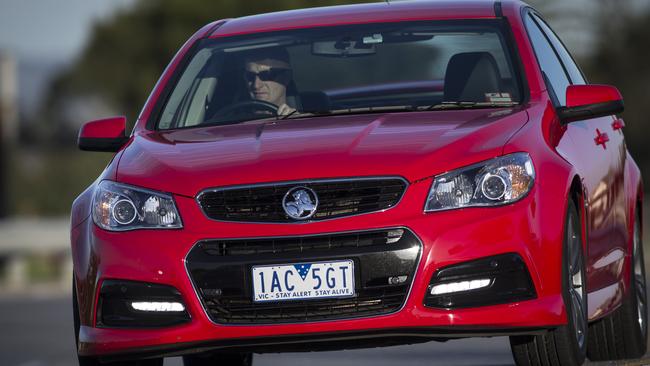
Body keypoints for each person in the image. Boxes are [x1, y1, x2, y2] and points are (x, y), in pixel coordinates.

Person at [244, 48, 296, 116]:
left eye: (266, 75)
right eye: (250, 76)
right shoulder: (231, 123)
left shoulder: (307, 123)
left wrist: (297, 121)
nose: (256, 85)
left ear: (286, 77)